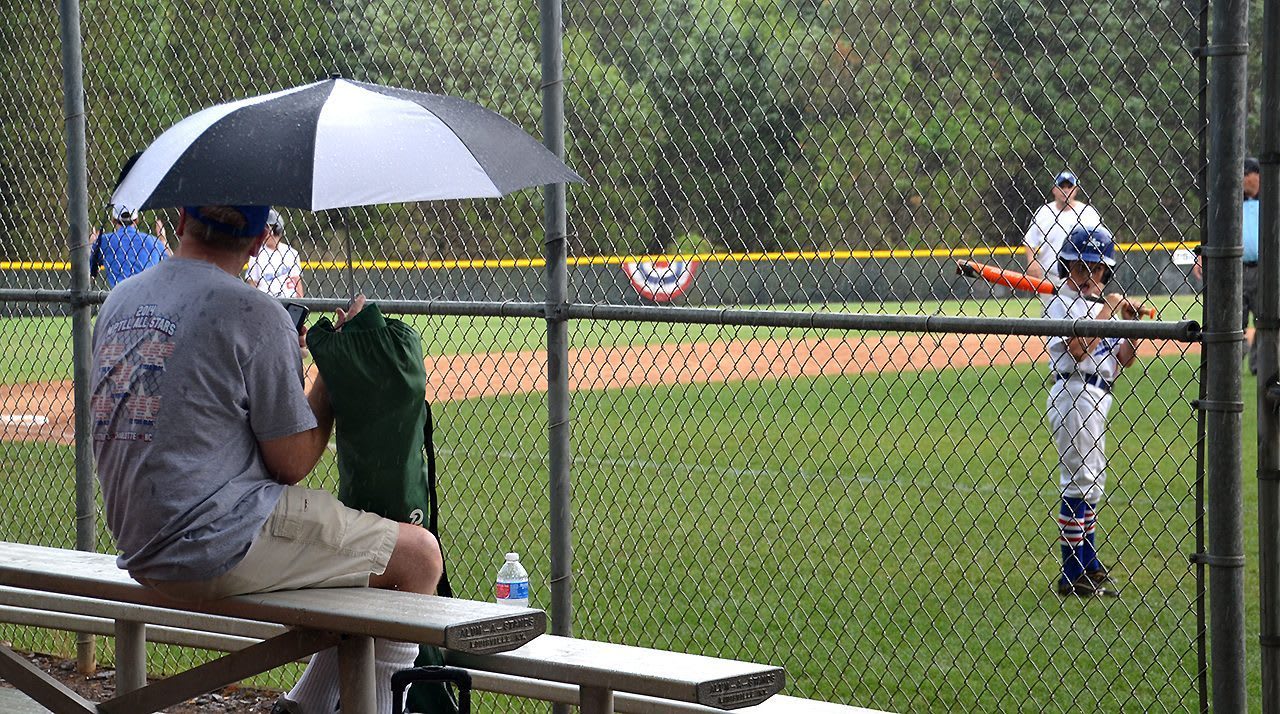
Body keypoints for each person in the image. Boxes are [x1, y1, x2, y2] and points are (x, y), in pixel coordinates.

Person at [89, 204, 442, 714]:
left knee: (349, 559)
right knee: (418, 557)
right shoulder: (255, 312)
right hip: (209, 545)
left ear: (182, 221)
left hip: (136, 542)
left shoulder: (119, 299)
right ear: (258, 243)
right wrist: (331, 370)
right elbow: (291, 461)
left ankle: (303, 705)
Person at [1044, 225, 1144, 598]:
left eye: (1096, 268)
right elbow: (1077, 349)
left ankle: (1088, 563)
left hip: (1099, 394)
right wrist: (1110, 308)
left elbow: (1125, 360)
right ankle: (1073, 573)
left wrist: (1131, 324)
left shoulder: (1103, 306)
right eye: (1080, 267)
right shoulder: (1060, 302)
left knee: (1093, 484)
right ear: (1066, 266)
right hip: (1073, 390)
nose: (1088, 275)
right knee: (1079, 482)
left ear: (1106, 271)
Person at [1192, 156, 1261, 373]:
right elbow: (1214, 229)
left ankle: (1260, 366)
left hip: (1265, 270)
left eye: (1244, 175)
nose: (1241, 180)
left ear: (1256, 176)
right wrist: (1202, 255)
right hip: (1236, 270)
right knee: (1234, 320)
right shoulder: (1231, 201)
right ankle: (1232, 365)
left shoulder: (1271, 199)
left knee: (1267, 320)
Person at [1023, 170, 1104, 297]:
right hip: (1050, 276)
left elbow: (1101, 244)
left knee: (1083, 309)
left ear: (1076, 189)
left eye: (1069, 186)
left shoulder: (1087, 213)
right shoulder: (1044, 212)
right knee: (1052, 309)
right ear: (1054, 189)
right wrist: (1032, 261)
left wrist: (1099, 278)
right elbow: (1030, 241)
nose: (1065, 190)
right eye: (1061, 186)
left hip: (1082, 277)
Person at [89, 204, 170, 287]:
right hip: (148, 291)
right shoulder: (153, 241)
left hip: (118, 292)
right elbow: (172, 267)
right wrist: (163, 241)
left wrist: (91, 245)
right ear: (136, 220)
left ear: (113, 220)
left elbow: (91, 269)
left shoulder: (104, 241)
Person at [245, 209, 304, 298]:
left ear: (277, 230)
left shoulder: (291, 252)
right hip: (267, 301)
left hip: (289, 300)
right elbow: (252, 282)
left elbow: (297, 281)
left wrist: (300, 301)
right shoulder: (256, 254)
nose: (265, 233)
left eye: (268, 228)